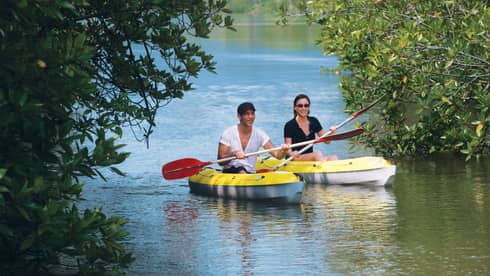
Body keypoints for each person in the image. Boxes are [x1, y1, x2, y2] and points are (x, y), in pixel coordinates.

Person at [218, 102, 290, 174]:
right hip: (231, 171)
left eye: (252, 113)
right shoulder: (228, 133)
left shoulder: (260, 134)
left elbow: (277, 155)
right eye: (247, 114)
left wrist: (283, 150)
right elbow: (220, 161)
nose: (251, 117)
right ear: (239, 116)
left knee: (244, 172)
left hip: (250, 173)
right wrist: (234, 155)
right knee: (241, 171)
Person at [284, 94, 338, 161]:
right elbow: (288, 149)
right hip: (295, 158)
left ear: (309, 107)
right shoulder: (289, 125)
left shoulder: (314, 121)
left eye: (306, 105)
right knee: (317, 154)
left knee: (333, 157)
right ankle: (323, 169)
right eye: (300, 106)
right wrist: (291, 153)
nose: (303, 108)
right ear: (295, 108)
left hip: (310, 157)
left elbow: (327, 142)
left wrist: (332, 133)